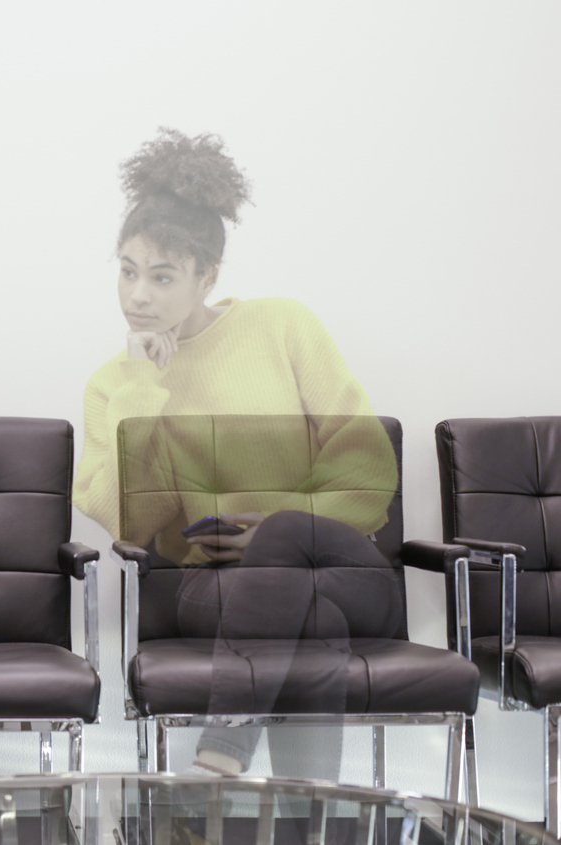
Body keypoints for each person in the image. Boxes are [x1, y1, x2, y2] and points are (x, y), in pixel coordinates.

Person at [73, 128, 400, 781]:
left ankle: (221, 759)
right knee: (311, 618)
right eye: (129, 271)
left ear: (206, 276)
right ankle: (316, 820)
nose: (138, 295)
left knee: (286, 543)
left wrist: (273, 530)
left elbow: (367, 469)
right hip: (216, 586)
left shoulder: (282, 325)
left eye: (161, 276)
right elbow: (132, 523)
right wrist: (144, 385)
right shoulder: (115, 383)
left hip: (343, 568)